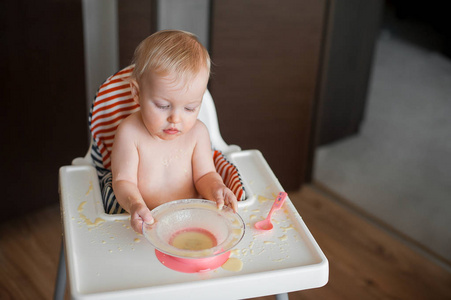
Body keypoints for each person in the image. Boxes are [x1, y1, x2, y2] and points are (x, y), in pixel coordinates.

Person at [111, 30, 238, 234]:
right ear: (137, 93)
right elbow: (123, 181)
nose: (176, 119)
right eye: (162, 106)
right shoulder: (130, 133)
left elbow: (204, 175)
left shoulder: (197, 133)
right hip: (146, 222)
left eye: (190, 108)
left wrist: (216, 189)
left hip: (191, 220)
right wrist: (135, 205)